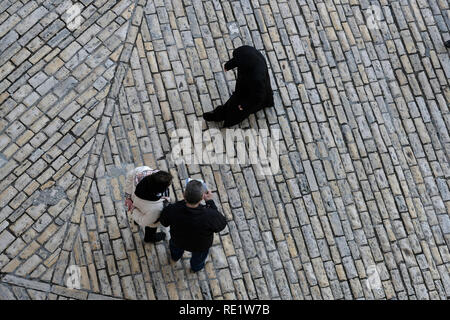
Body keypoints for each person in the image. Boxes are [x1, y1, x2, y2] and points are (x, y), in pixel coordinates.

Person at [159, 180, 227, 272]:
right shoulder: (209, 215)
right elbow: (221, 225)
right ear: (202, 197)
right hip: (200, 246)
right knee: (198, 259)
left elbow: (164, 222)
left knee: (175, 250)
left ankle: (174, 258)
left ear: (184, 195)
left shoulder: (173, 209)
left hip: (178, 240)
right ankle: (195, 268)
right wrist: (210, 202)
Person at [203, 45, 274, 128]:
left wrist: (244, 105)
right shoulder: (248, 56)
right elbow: (238, 60)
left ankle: (221, 117)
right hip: (246, 82)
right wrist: (228, 65)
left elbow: (258, 96)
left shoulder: (257, 79)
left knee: (235, 110)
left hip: (249, 94)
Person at [124, 166, 173, 243]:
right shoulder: (157, 209)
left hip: (136, 203)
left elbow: (130, 176)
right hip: (149, 218)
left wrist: (128, 197)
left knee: (137, 217)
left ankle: (135, 221)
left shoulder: (142, 171)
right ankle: (149, 238)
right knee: (150, 228)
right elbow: (144, 221)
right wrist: (133, 209)